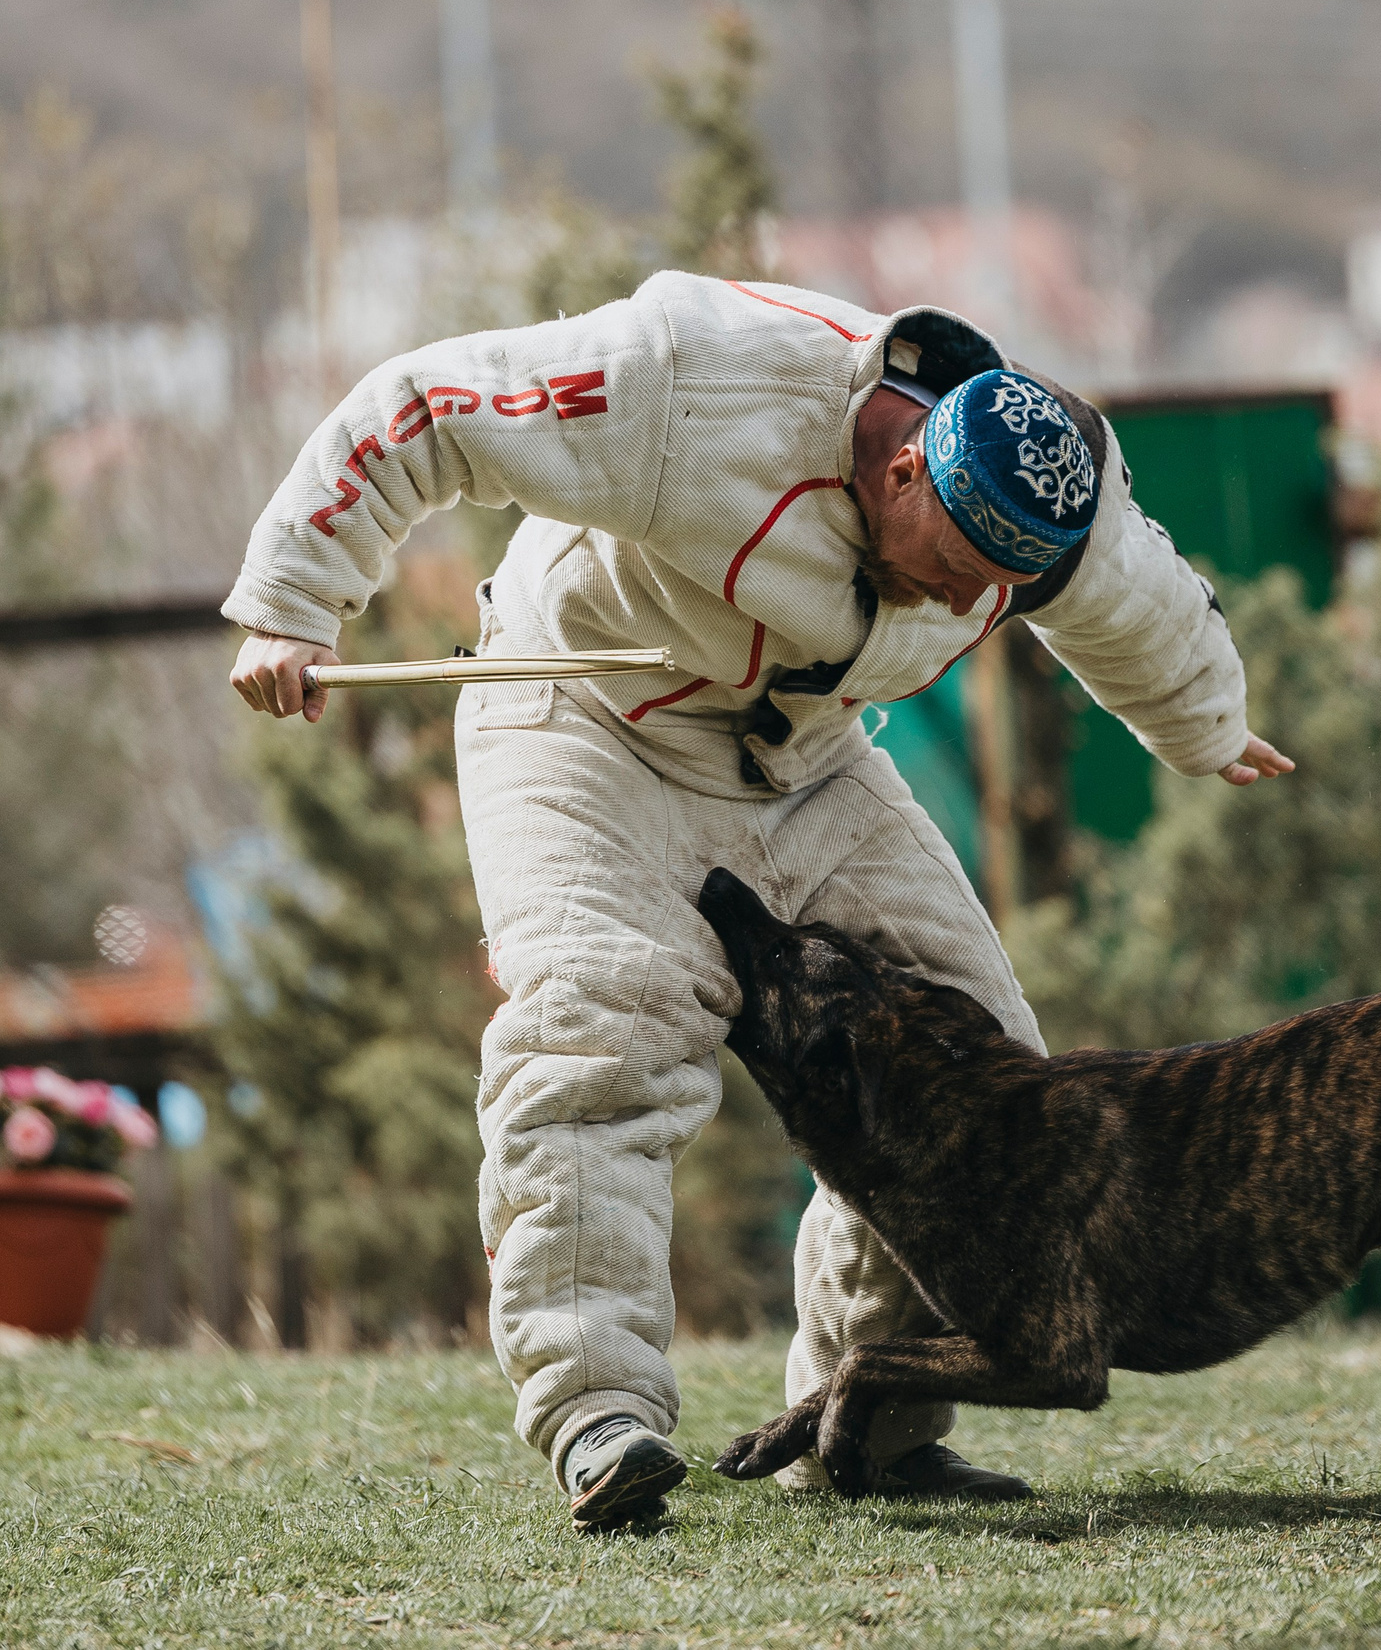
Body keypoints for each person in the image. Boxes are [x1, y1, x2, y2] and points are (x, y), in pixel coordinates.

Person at [225, 272, 1292, 1531]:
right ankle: (598, 1418)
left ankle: (866, 1429)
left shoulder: (1053, 495)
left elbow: (1142, 613)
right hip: (581, 722)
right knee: (600, 1027)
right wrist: (295, 604)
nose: (964, 606)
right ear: (902, 475)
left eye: (996, 592)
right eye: (954, 569)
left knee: (972, 1070)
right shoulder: (693, 379)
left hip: (808, 757)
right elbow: (424, 408)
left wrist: (1210, 727)